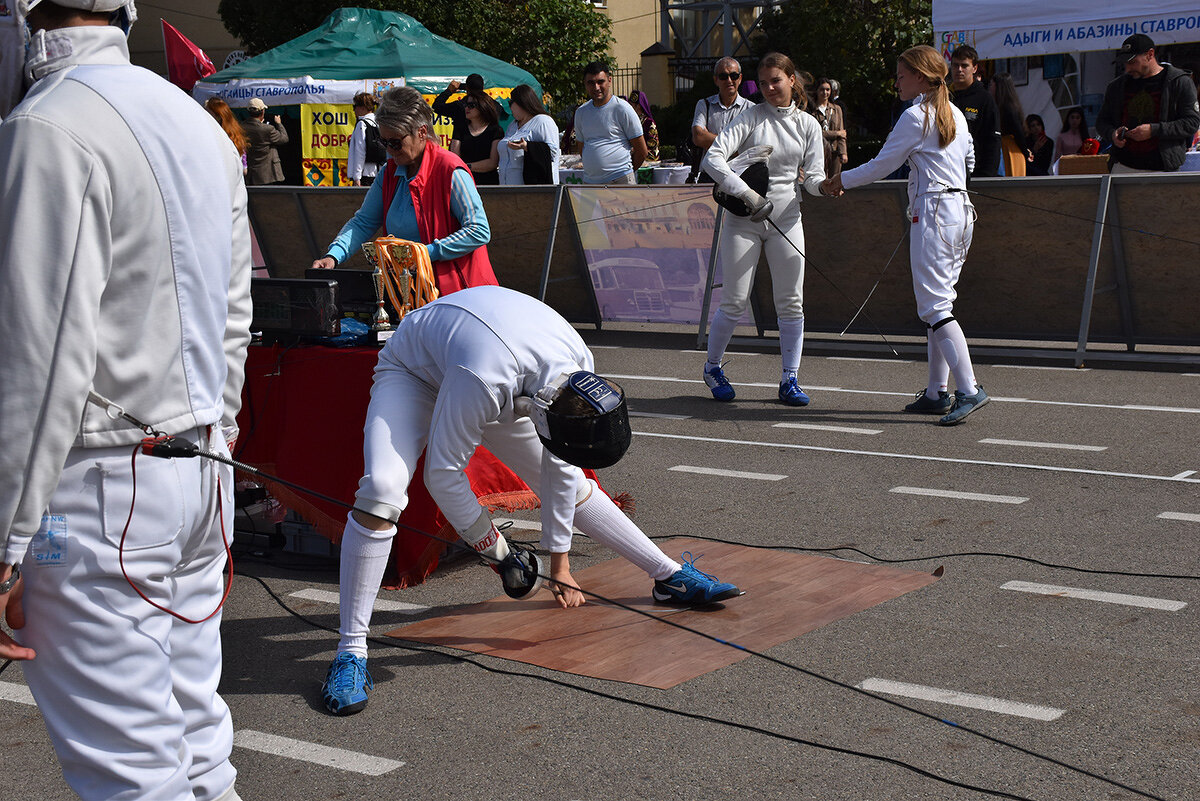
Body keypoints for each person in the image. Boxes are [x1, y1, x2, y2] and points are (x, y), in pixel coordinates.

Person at [0, 1, 252, 799]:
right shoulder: (196, 122)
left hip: (98, 487)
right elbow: (237, 312)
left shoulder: (47, 125)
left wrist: (2, 539)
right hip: (196, 471)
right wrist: (224, 436)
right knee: (199, 749)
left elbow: (34, 356)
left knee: (131, 778)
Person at [319, 285, 743, 716]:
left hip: (492, 365)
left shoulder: (579, 364)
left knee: (572, 484)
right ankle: (350, 652)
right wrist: (500, 555)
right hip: (417, 372)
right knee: (381, 492)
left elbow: (561, 465)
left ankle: (668, 575)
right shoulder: (485, 380)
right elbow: (442, 476)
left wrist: (561, 564)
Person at [821, 45, 987, 426]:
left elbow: (883, 164)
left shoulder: (916, 116)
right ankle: (936, 392)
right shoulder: (956, 114)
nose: (896, 81)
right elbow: (971, 161)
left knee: (935, 307)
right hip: (960, 211)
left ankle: (969, 388)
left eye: (901, 75)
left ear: (921, 77)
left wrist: (840, 180)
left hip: (936, 213)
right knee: (939, 303)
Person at [700, 52, 825, 407]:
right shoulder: (750, 116)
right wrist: (747, 194)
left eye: (777, 81)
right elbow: (713, 159)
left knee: (791, 302)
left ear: (791, 80)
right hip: (744, 221)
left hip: (787, 220)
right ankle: (712, 368)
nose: (770, 88)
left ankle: (790, 378)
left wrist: (826, 186)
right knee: (735, 300)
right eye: (765, 82)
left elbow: (813, 179)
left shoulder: (808, 125)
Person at [310, 86, 498, 295]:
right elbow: (363, 221)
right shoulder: (389, 173)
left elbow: (479, 231)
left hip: (461, 294)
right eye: (383, 142)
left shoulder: (450, 170)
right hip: (411, 292)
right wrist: (333, 255)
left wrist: (425, 253)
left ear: (422, 132)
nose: (389, 150)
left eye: (396, 142)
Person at [1095, 33, 1200, 173]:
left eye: (1132, 62)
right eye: (1125, 63)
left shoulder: (1179, 82)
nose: (1127, 68)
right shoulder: (1117, 86)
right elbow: (1102, 122)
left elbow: (1191, 123)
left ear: (1150, 54)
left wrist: (1153, 130)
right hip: (1123, 165)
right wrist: (1113, 133)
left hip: (1162, 168)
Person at [574, 61, 647, 184]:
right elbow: (582, 147)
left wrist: (624, 173)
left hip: (620, 181)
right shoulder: (581, 112)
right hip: (590, 183)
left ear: (609, 81)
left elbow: (642, 151)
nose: (596, 87)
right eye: (591, 83)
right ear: (585, 85)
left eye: (600, 82)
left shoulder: (622, 109)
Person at [690, 56, 753, 183]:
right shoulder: (704, 105)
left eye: (734, 76)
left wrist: (709, 139)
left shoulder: (751, 109)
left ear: (740, 78)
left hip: (739, 177)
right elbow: (698, 137)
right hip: (709, 176)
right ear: (716, 80)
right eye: (723, 76)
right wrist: (735, 146)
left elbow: (749, 149)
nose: (729, 80)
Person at [948, 44, 1001, 177]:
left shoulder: (984, 99)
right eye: (955, 65)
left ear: (974, 68)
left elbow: (993, 140)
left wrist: (987, 176)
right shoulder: (944, 97)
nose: (959, 70)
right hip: (949, 172)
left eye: (964, 66)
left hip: (977, 173)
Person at [498, 83, 560, 185]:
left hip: (530, 188)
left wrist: (527, 147)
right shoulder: (512, 125)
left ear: (522, 102)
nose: (510, 108)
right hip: (506, 188)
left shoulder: (543, 121)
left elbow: (552, 153)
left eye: (510, 103)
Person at [450, 88, 503, 185]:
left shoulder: (495, 130)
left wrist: (466, 166)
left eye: (471, 105)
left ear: (483, 106)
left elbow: (492, 163)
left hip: (489, 183)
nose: (466, 108)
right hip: (465, 182)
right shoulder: (460, 129)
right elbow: (454, 159)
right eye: (466, 105)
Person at [240, 96, 288, 185]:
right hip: (268, 174)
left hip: (251, 174)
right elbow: (284, 139)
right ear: (262, 111)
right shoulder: (267, 129)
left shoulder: (241, 127)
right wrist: (279, 123)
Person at [989, 72, 1027, 177]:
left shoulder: (1008, 108)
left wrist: (1026, 151)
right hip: (1006, 148)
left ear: (998, 87)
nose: (990, 88)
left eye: (991, 85)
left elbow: (1018, 132)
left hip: (1009, 150)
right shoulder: (1003, 106)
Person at [811, 76, 848, 178]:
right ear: (817, 91)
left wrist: (843, 153)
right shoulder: (811, 111)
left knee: (835, 181)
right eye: (822, 89)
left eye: (827, 90)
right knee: (820, 181)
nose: (825, 92)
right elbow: (816, 132)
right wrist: (836, 133)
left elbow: (842, 133)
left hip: (835, 151)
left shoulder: (837, 109)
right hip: (818, 151)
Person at [347, 91, 384, 187]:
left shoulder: (362, 124)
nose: (354, 110)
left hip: (365, 174)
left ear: (363, 108)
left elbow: (360, 152)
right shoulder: (379, 123)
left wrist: (356, 177)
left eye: (354, 107)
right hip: (380, 172)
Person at [432, 72, 484, 141]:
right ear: (483, 87)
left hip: (462, 145)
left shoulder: (460, 106)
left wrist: (449, 91)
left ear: (467, 88)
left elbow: (437, 106)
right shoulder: (491, 105)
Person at [204, 96, 248, 176]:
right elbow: (244, 168)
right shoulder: (236, 135)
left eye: (207, 112)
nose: (204, 115)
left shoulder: (217, 137)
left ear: (218, 116)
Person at [627, 89, 659, 161]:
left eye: (631, 105)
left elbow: (652, 144)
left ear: (638, 106)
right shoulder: (632, 120)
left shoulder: (648, 122)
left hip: (648, 158)